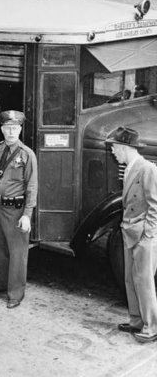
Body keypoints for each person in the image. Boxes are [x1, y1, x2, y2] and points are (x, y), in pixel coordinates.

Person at [0, 110, 38, 309]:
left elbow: (32, 187)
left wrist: (27, 216)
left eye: (15, 128)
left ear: (20, 129)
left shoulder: (27, 154)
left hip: (16, 210)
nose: (11, 132)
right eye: (7, 128)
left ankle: (15, 294)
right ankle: (0, 285)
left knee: (18, 253)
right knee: (0, 248)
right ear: (2, 130)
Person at [107, 127, 157, 343]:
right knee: (130, 279)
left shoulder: (147, 169)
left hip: (142, 235)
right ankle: (136, 321)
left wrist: (148, 236)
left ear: (125, 147)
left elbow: (155, 206)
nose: (113, 153)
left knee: (144, 281)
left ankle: (151, 327)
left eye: (114, 148)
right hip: (129, 232)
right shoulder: (128, 168)